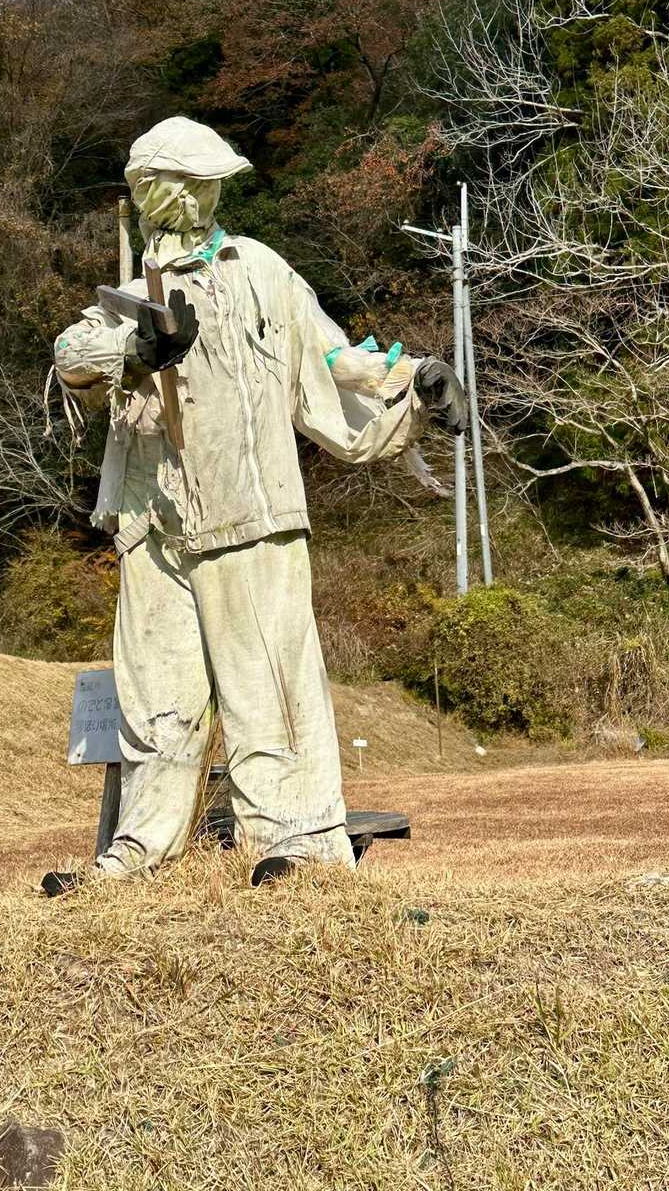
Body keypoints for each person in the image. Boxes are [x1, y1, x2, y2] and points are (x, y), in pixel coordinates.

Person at [53, 117, 466, 886]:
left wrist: (413, 385)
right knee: (159, 694)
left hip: (254, 511)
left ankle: (296, 837)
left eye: (203, 182)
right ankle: (142, 845)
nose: (192, 198)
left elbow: (332, 357)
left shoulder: (263, 270)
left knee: (269, 681)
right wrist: (134, 349)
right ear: (146, 192)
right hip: (154, 522)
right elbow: (71, 356)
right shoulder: (129, 297)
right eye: (177, 183)